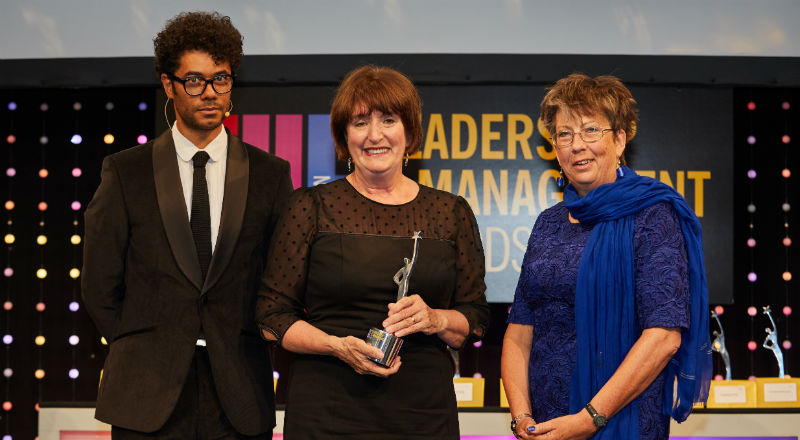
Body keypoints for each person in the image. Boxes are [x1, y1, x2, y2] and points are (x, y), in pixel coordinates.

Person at [82, 11, 292, 439]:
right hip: (146, 394)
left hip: (239, 393)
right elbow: (100, 284)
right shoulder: (126, 172)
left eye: (221, 79)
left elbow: (281, 282)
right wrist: (143, 345)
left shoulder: (270, 174)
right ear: (168, 84)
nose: (210, 93)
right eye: (194, 81)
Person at [256, 65, 490, 439]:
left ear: (410, 131)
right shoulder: (310, 207)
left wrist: (435, 319)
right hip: (327, 410)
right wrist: (336, 346)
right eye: (360, 122)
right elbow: (271, 317)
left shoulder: (450, 212)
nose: (374, 135)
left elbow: (474, 318)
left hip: (423, 413)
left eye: (388, 120)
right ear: (343, 136)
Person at [501, 73, 711, 440]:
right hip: (544, 428)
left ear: (619, 138)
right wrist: (521, 418)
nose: (576, 145)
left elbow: (663, 336)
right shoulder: (547, 223)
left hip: (618, 422)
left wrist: (589, 418)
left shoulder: (653, 215)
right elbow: (519, 331)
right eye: (564, 135)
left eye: (590, 131)